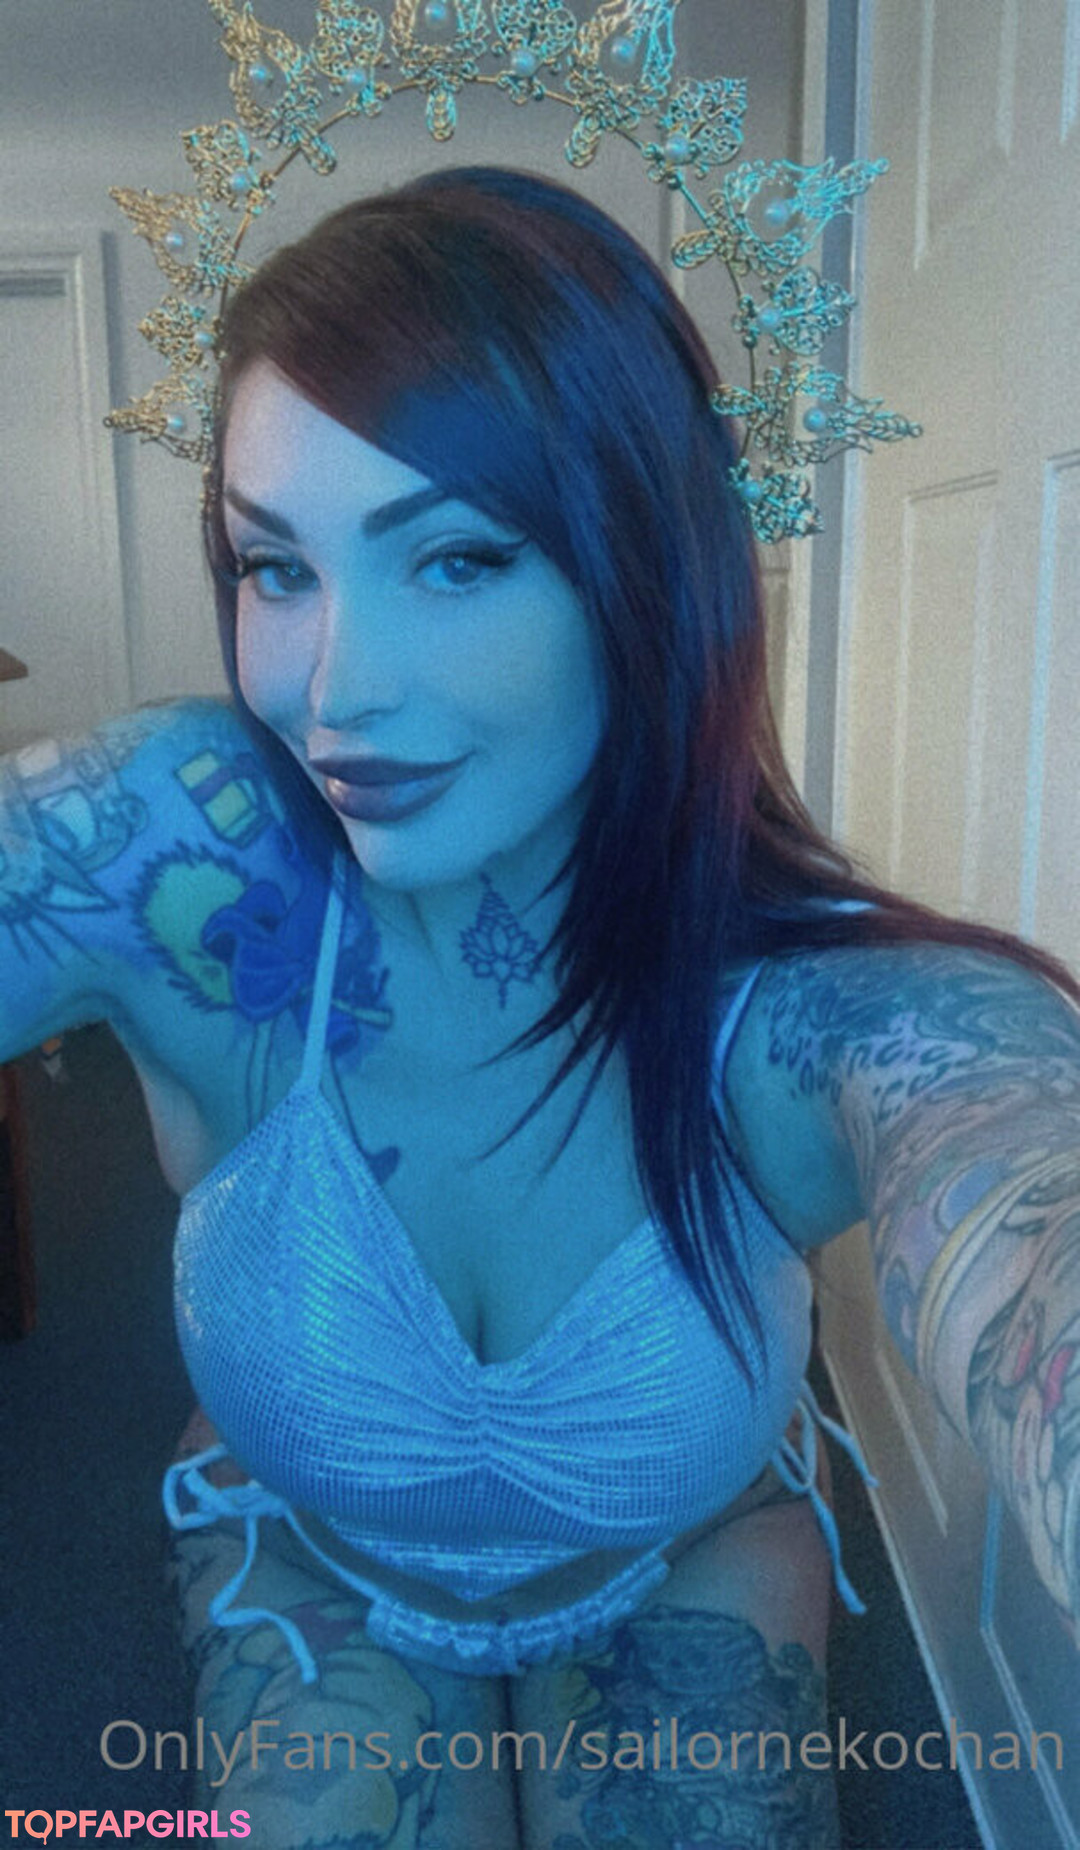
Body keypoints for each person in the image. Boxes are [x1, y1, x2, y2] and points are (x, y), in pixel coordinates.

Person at [3, 164, 1079, 1849]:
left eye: (456, 558)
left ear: (650, 569)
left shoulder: (819, 1006)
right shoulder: (184, 856)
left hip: (680, 1554)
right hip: (311, 1546)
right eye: (276, 568)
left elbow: (1019, 1171)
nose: (334, 689)